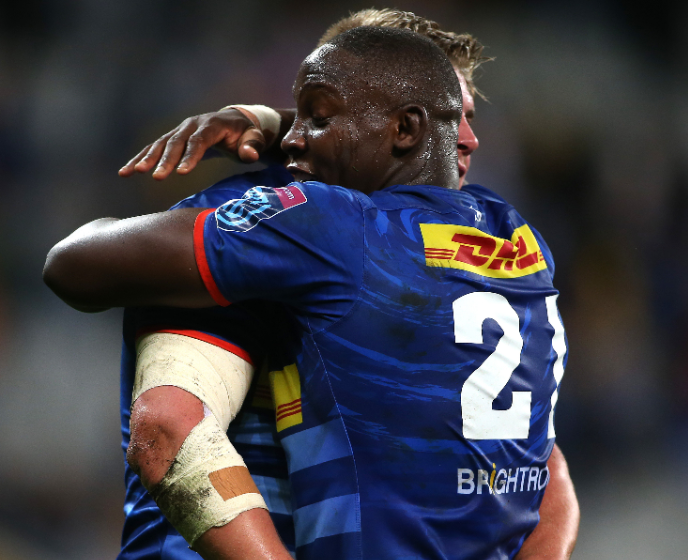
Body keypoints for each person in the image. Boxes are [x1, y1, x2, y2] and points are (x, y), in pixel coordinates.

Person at [45, 26, 571, 560]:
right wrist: (286, 129)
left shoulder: (327, 226)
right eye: (449, 116)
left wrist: (273, 125)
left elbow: (163, 426)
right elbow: (548, 475)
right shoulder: (515, 237)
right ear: (410, 124)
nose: (466, 139)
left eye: (467, 117)